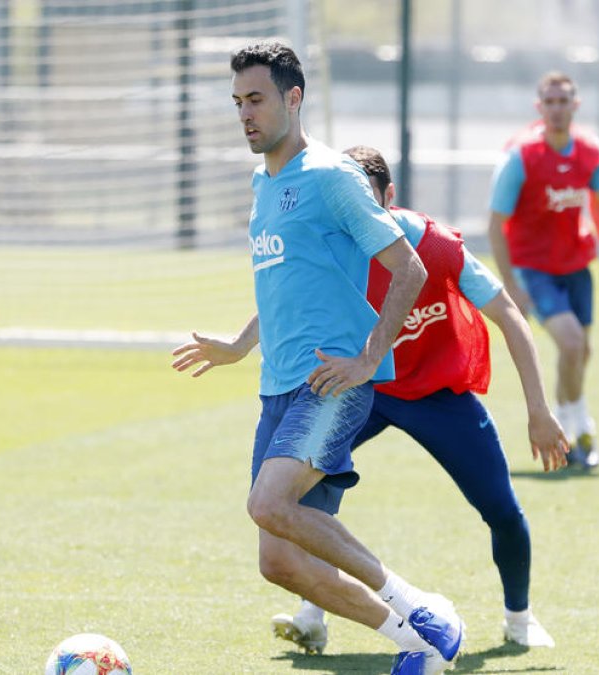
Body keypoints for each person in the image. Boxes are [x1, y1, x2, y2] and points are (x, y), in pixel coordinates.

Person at [172, 42, 462, 674]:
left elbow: (408, 269)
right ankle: (417, 644)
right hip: (276, 387)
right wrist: (238, 345)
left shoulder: (333, 176)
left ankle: (416, 605)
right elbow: (287, 281)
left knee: (267, 503)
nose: (244, 114)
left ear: (293, 97)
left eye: (256, 99)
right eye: (237, 102)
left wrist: (368, 359)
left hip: (331, 382)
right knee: (278, 562)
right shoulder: (263, 182)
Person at [268, 145, 569, 655]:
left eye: (365, 200)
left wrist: (539, 411)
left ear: (389, 197)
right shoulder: (329, 243)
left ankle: (519, 618)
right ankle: (312, 614)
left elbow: (509, 315)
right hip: (363, 389)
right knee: (296, 493)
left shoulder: (436, 246)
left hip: (436, 393)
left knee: (501, 508)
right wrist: (239, 345)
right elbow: (282, 297)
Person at [486, 71, 599, 468]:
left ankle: (568, 429)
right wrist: (510, 284)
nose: (557, 109)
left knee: (580, 352)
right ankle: (582, 428)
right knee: (572, 344)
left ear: (575, 106)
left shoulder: (590, 151)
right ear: (539, 107)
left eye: (564, 102)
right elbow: (495, 224)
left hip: (576, 264)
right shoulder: (520, 158)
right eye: (550, 102)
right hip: (534, 268)